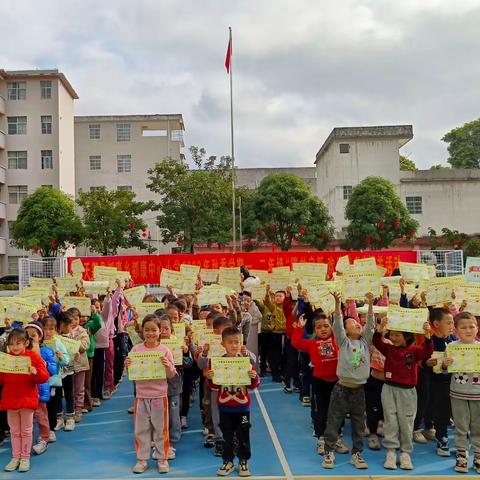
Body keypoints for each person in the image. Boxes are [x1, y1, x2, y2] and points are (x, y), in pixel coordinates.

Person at [322, 291, 375, 470]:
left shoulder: (365, 342)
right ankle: (329, 451)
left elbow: (371, 325)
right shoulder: (343, 342)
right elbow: (337, 325)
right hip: (341, 389)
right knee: (334, 421)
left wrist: (370, 304)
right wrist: (337, 304)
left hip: (359, 390)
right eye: (352, 323)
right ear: (345, 330)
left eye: (357, 322)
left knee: (359, 423)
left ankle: (357, 453)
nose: (357, 324)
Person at [373, 315, 433, 470]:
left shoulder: (414, 351)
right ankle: (391, 451)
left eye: (398, 335)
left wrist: (427, 336)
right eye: (392, 334)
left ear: (406, 336)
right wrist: (380, 330)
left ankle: (405, 452)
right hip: (389, 389)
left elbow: (427, 352)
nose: (393, 337)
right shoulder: (389, 348)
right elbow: (377, 342)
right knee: (390, 420)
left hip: (407, 392)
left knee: (406, 422)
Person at [125, 314, 177, 474]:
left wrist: (168, 366)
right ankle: (142, 459)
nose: (150, 333)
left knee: (160, 428)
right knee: (141, 429)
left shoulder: (165, 350)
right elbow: (131, 375)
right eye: (147, 330)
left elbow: (171, 374)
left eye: (153, 330)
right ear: (142, 331)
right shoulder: (136, 350)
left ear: (160, 331)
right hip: (141, 396)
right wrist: (127, 366)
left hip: (159, 396)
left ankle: (162, 459)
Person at [207, 327, 260, 477]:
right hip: (225, 408)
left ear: (242, 342)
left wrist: (253, 376)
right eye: (230, 342)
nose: (234, 345)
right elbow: (213, 386)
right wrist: (210, 378)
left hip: (243, 408)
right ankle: (228, 461)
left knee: (243, 434)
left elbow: (254, 385)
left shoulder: (246, 362)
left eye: (237, 342)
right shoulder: (217, 363)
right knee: (227, 435)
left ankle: (243, 460)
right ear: (223, 344)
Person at [0, 328, 49, 472]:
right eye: (12, 344)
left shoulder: (33, 357)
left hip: (27, 401)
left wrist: (35, 372)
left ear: (26, 343)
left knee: (26, 431)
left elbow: (45, 376)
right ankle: (15, 457)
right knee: (14, 431)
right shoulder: (6, 359)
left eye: (18, 343)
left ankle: (25, 457)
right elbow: (2, 379)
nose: (15, 347)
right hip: (10, 400)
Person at [292, 309, 339, 456]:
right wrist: (299, 328)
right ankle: (321, 439)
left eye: (326, 326)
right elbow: (296, 342)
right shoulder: (312, 343)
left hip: (337, 382)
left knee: (337, 412)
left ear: (332, 327)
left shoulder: (338, 340)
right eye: (318, 327)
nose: (323, 329)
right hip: (319, 382)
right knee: (321, 412)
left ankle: (336, 438)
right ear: (314, 330)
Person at [446, 312, 480, 474]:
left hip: (478, 394)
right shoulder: (451, 347)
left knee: (477, 426)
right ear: (456, 330)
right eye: (463, 327)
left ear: (477, 328)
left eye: (471, 326)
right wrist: (446, 364)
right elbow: (443, 371)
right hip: (458, 393)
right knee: (461, 426)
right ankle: (461, 454)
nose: (468, 330)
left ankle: (478, 455)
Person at [158, 314, 192, 460]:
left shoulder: (177, 343)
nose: (164, 331)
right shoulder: (153, 345)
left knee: (173, 413)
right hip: (157, 387)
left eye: (166, 328)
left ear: (172, 329)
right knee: (159, 414)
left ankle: (173, 439)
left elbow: (188, 363)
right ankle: (160, 439)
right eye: (160, 328)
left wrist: (184, 352)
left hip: (173, 386)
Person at [425, 307, 455, 457]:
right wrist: (427, 363)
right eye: (448, 323)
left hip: (455, 383)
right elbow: (422, 359)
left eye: (453, 323)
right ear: (436, 324)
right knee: (440, 412)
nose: (452, 326)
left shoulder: (454, 342)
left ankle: (460, 441)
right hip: (435, 383)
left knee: (453, 412)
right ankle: (441, 438)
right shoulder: (429, 341)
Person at [25, 321, 57, 455]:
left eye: (34, 336)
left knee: (41, 415)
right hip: (25, 390)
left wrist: (43, 363)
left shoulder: (46, 351)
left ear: (40, 337)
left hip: (40, 390)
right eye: (27, 336)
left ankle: (44, 438)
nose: (30, 339)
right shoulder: (21, 353)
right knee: (26, 417)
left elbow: (53, 369)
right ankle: (23, 441)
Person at [43, 316, 70, 442]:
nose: (48, 332)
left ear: (55, 330)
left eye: (51, 329)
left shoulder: (58, 342)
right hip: (40, 380)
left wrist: (61, 358)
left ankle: (51, 430)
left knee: (52, 406)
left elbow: (66, 360)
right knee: (42, 407)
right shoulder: (39, 343)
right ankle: (44, 430)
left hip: (53, 380)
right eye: (45, 329)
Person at [66, 307, 91, 423]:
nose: (75, 321)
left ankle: (79, 409)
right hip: (67, 364)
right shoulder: (64, 331)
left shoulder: (82, 331)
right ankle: (70, 409)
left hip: (80, 364)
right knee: (69, 388)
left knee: (79, 388)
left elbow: (86, 345)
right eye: (72, 319)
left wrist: (74, 346)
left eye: (77, 318)